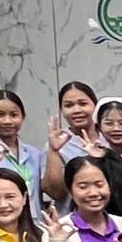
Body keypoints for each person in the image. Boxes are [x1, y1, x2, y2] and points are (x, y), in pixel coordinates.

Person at [42, 81, 101, 211]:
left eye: (83, 103)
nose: (76, 110)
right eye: (68, 105)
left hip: (112, 222)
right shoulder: (56, 143)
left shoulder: (108, 139)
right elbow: (54, 192)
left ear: (95, 106)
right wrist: (53, 151)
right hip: (70, 223)